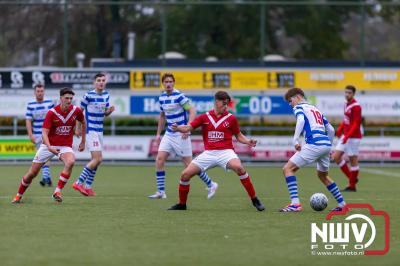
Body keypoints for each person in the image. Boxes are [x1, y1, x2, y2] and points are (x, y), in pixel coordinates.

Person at [168, 90, 265, 211]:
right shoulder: (204, 117)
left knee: (240, 168)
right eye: (223, 103)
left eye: (227, 104)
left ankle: (254, 199)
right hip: (209, 153)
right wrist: (178, 128)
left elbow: (239, 136)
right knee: (185, 175)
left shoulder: (231, 118)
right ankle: (182, 204)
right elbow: (188, 127)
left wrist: (248, 141)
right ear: (216, 101)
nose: (225, 106)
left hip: (226, 152)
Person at [148, 73, 218, 200]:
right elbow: (162, 116)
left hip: (181, 134)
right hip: (169, 134)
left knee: (189, 165)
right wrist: (158, 134)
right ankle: (161, 191)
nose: (168, 84)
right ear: (163, 83)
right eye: (166, 82)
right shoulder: (162, 97)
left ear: (174, 83)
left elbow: (192, 110)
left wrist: (188, 128)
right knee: (159, 159)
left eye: (170, 81)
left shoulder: (179, 96)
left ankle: (211, 184)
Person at [12, 87, 86, 203]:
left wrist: (82, 141)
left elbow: (83, 122)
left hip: (65, 146)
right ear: (60, 98)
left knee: (70, 162)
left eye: (71, 98)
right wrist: (49, 147)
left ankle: (57, 191)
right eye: (66, 98)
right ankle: (18, 195)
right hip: (48, 145)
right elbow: (44, 133)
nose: (69, 100)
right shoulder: (52, 113)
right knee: (32, 173)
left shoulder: (76, 110)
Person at [280, 88, 346, 212]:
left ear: (297, 97)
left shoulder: (299, 107)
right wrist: (329, 147)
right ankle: (342, 205)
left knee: (287, 169)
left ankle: (295, 204)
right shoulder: (316, 109)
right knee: (323, 175)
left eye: (290, 101)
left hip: (314, 144)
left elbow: (300, 120)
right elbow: (331, 129)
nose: (290, 104)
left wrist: (295, 140)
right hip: (325, 144)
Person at [72, 73, 114, 196]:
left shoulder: (106, 95)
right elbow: (79, 112)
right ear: (94, 83)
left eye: (103, 80)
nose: (101, 82)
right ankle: (79, 182)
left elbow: (104, 113)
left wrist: (109, 111)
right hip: (91, 130)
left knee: (97, 160)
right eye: (98, 80)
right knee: (98, 158)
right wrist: (78, 128)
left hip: (100, 130)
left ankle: (88, 186)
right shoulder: (88, 95)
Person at [332, 85, 362, 192]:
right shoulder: (346, 104)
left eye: (349, 93)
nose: (347, 94)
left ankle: (352, 186)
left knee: (353, 161)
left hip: (354, 137)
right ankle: (352, 178)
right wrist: (340, 129)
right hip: (346, 135)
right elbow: (346, 120)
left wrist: (347, 136)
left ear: (353, 94)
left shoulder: (356, 106)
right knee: (336, 157)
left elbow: (356, 123)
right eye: (346, 92)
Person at [25, 84, 55, 186]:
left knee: (45, 157)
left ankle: (46, 177)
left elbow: (55, 118)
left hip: (48, 134)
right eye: (38, 91)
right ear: (35, 92)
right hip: (37, 135)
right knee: (41, 157)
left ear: (44, 92)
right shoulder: (31, 104)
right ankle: (47, 177)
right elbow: (28, 120)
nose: (40, 93)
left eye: (41, 91)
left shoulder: (49, 103)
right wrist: (30, 134)